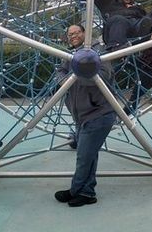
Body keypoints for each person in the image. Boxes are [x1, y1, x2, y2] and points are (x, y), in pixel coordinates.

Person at [54, 24, 116, 207]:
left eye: (76, 32)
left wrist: (75, 78)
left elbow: (103, 76)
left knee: (84, 156)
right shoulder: (71, 56)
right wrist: (70, 79)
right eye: (70, 34)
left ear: (85, 33)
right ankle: (87, 192)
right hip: (83, 115)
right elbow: (59, 72)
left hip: (99, 112)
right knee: (89, 156)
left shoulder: (98, 53)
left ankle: (76, 190)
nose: (73, 36)